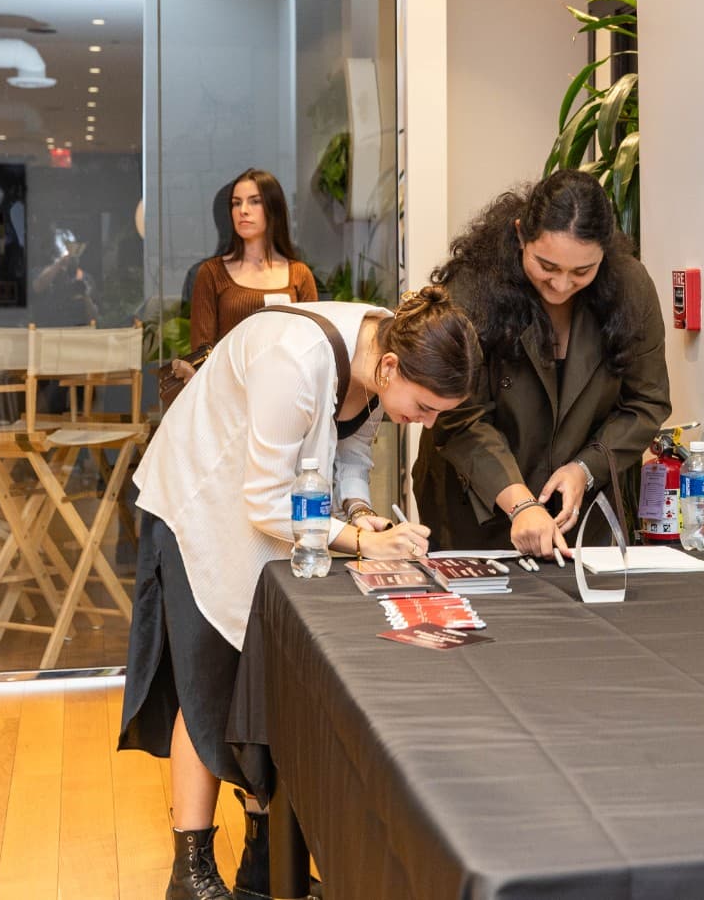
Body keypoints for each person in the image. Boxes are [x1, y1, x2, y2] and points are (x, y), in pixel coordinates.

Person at [119, 286, 481, 900]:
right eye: (423, 407)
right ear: (390, 368)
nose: (425, 424)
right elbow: (263, 502)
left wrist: (362, 513)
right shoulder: (295, 358)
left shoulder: (385, 345)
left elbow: (353, 449)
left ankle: (265, 867)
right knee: (209, 688)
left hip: (273, 514)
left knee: (267, 686)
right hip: (200, 507)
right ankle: (191, 875)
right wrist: (362, 545)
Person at [414, 170, 671, 558]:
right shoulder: (470, 291)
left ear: (606, 251)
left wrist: (586, 468)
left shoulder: (631, 289)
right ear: (521, 236)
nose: (562, 285)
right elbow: (459, 418)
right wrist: (520, 502)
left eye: (582, 271)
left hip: (582, 517)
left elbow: (646, 403)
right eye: (547, 266)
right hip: (475, 512)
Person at [173, 169, 318, 382]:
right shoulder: (212, 273)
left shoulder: (299, 274)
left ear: (273, 208)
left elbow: (313, 344)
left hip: (287, 390)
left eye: (254, 201)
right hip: (227, 391)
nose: (243, 210)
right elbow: (202, 350)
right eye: (236, 203)